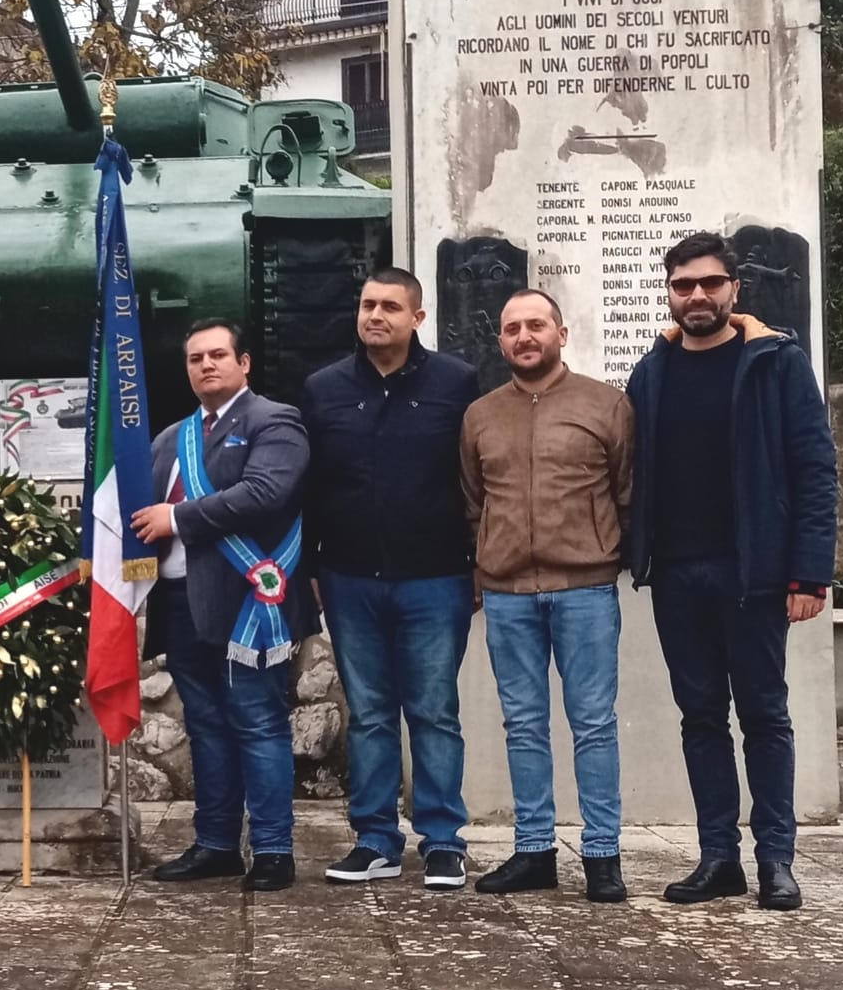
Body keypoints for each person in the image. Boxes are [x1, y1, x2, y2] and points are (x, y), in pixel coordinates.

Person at [627, 232, 837, 912]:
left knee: (766, 715)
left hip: (755, 574)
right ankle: (718, 856)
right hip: (678, 574)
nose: (697, 296)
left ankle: (776, 859)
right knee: (699, 718)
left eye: (710, 284)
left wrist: (809, 574)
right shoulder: (651, 373)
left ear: (734, 290)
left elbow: (815, 471)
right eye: (683, 285)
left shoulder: (775, 363)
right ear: (670, 292)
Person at [301, 268, 479, 891]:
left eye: (390, 307)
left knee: (434, 711)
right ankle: (374, 839)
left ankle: (443, 842)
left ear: (417, 318)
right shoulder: (323, 389)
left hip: (436, 577)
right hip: (349, 578)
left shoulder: (456, 383)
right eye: (367, 305)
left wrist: (478, 564)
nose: (376, 315)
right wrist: (312, 568)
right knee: (371, 713)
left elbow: (474, 479)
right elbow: (311, 486)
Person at [460, 290, 634, 903]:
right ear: (501, 340)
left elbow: (624, 489)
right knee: (524, 725)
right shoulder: (480, 414)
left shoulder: (606, 405)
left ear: (562, 331)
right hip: (507, 593)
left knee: (593, 724)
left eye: (536, 325)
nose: (524, 336)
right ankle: (533, 850)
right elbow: (474, 500)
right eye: (512, 328)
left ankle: (602, 855)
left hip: (584, 587)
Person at [133, 319, 313, 894]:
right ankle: (214, 843)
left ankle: (273, 850)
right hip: (181, 602)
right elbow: (141, 516)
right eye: (194, 358)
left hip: (248, 604)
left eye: (217, 355)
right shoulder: (168, 440)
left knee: (258, 724)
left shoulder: (273, 421)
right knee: (206, 725)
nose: (206, 365)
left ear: (244, 363)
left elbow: (266, 493)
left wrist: (179, 518)